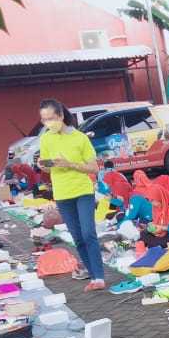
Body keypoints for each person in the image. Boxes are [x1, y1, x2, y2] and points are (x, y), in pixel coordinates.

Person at [37, 99, 105, 291]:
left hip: (82, 191)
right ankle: (93, 276)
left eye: (51, 118)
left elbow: (94, 167)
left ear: (60, 116)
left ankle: (99, 277)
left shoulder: (80, 138)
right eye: (44, 120)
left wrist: (70, 164)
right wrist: (43, 165)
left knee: (88, 233)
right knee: (77, 237)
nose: (48, 123)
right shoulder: (46, 138)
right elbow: (47, 166)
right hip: (62, 194)